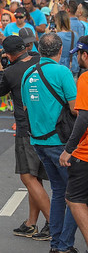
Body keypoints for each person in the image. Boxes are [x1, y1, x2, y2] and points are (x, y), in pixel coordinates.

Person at [21, 33, 78, 253]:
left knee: (59, 192)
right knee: (75, 196)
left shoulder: (28, 73)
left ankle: (56, 244)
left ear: (38, 49)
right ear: (60, 50)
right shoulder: (62, 71)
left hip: (38, 141)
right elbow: (75, 108)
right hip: (61, 142)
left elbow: (26, 108)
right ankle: (63, 245)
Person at [0, 35, 51, 241]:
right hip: (50, 126)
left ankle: (53, 222)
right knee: (35, 177)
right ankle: (31, 223)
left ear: (8, 54)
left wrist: (1, 69)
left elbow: (0, 90)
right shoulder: (39, 60)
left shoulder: (10, 72)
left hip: (27, 127)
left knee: (27, 175)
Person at [61, 37, 88, 246]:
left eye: (78, 55)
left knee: (74, 199)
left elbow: (84, 117)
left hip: (85, 154)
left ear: (84, 55)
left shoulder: (85, 78)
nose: (78, 59)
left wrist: (69, 149)